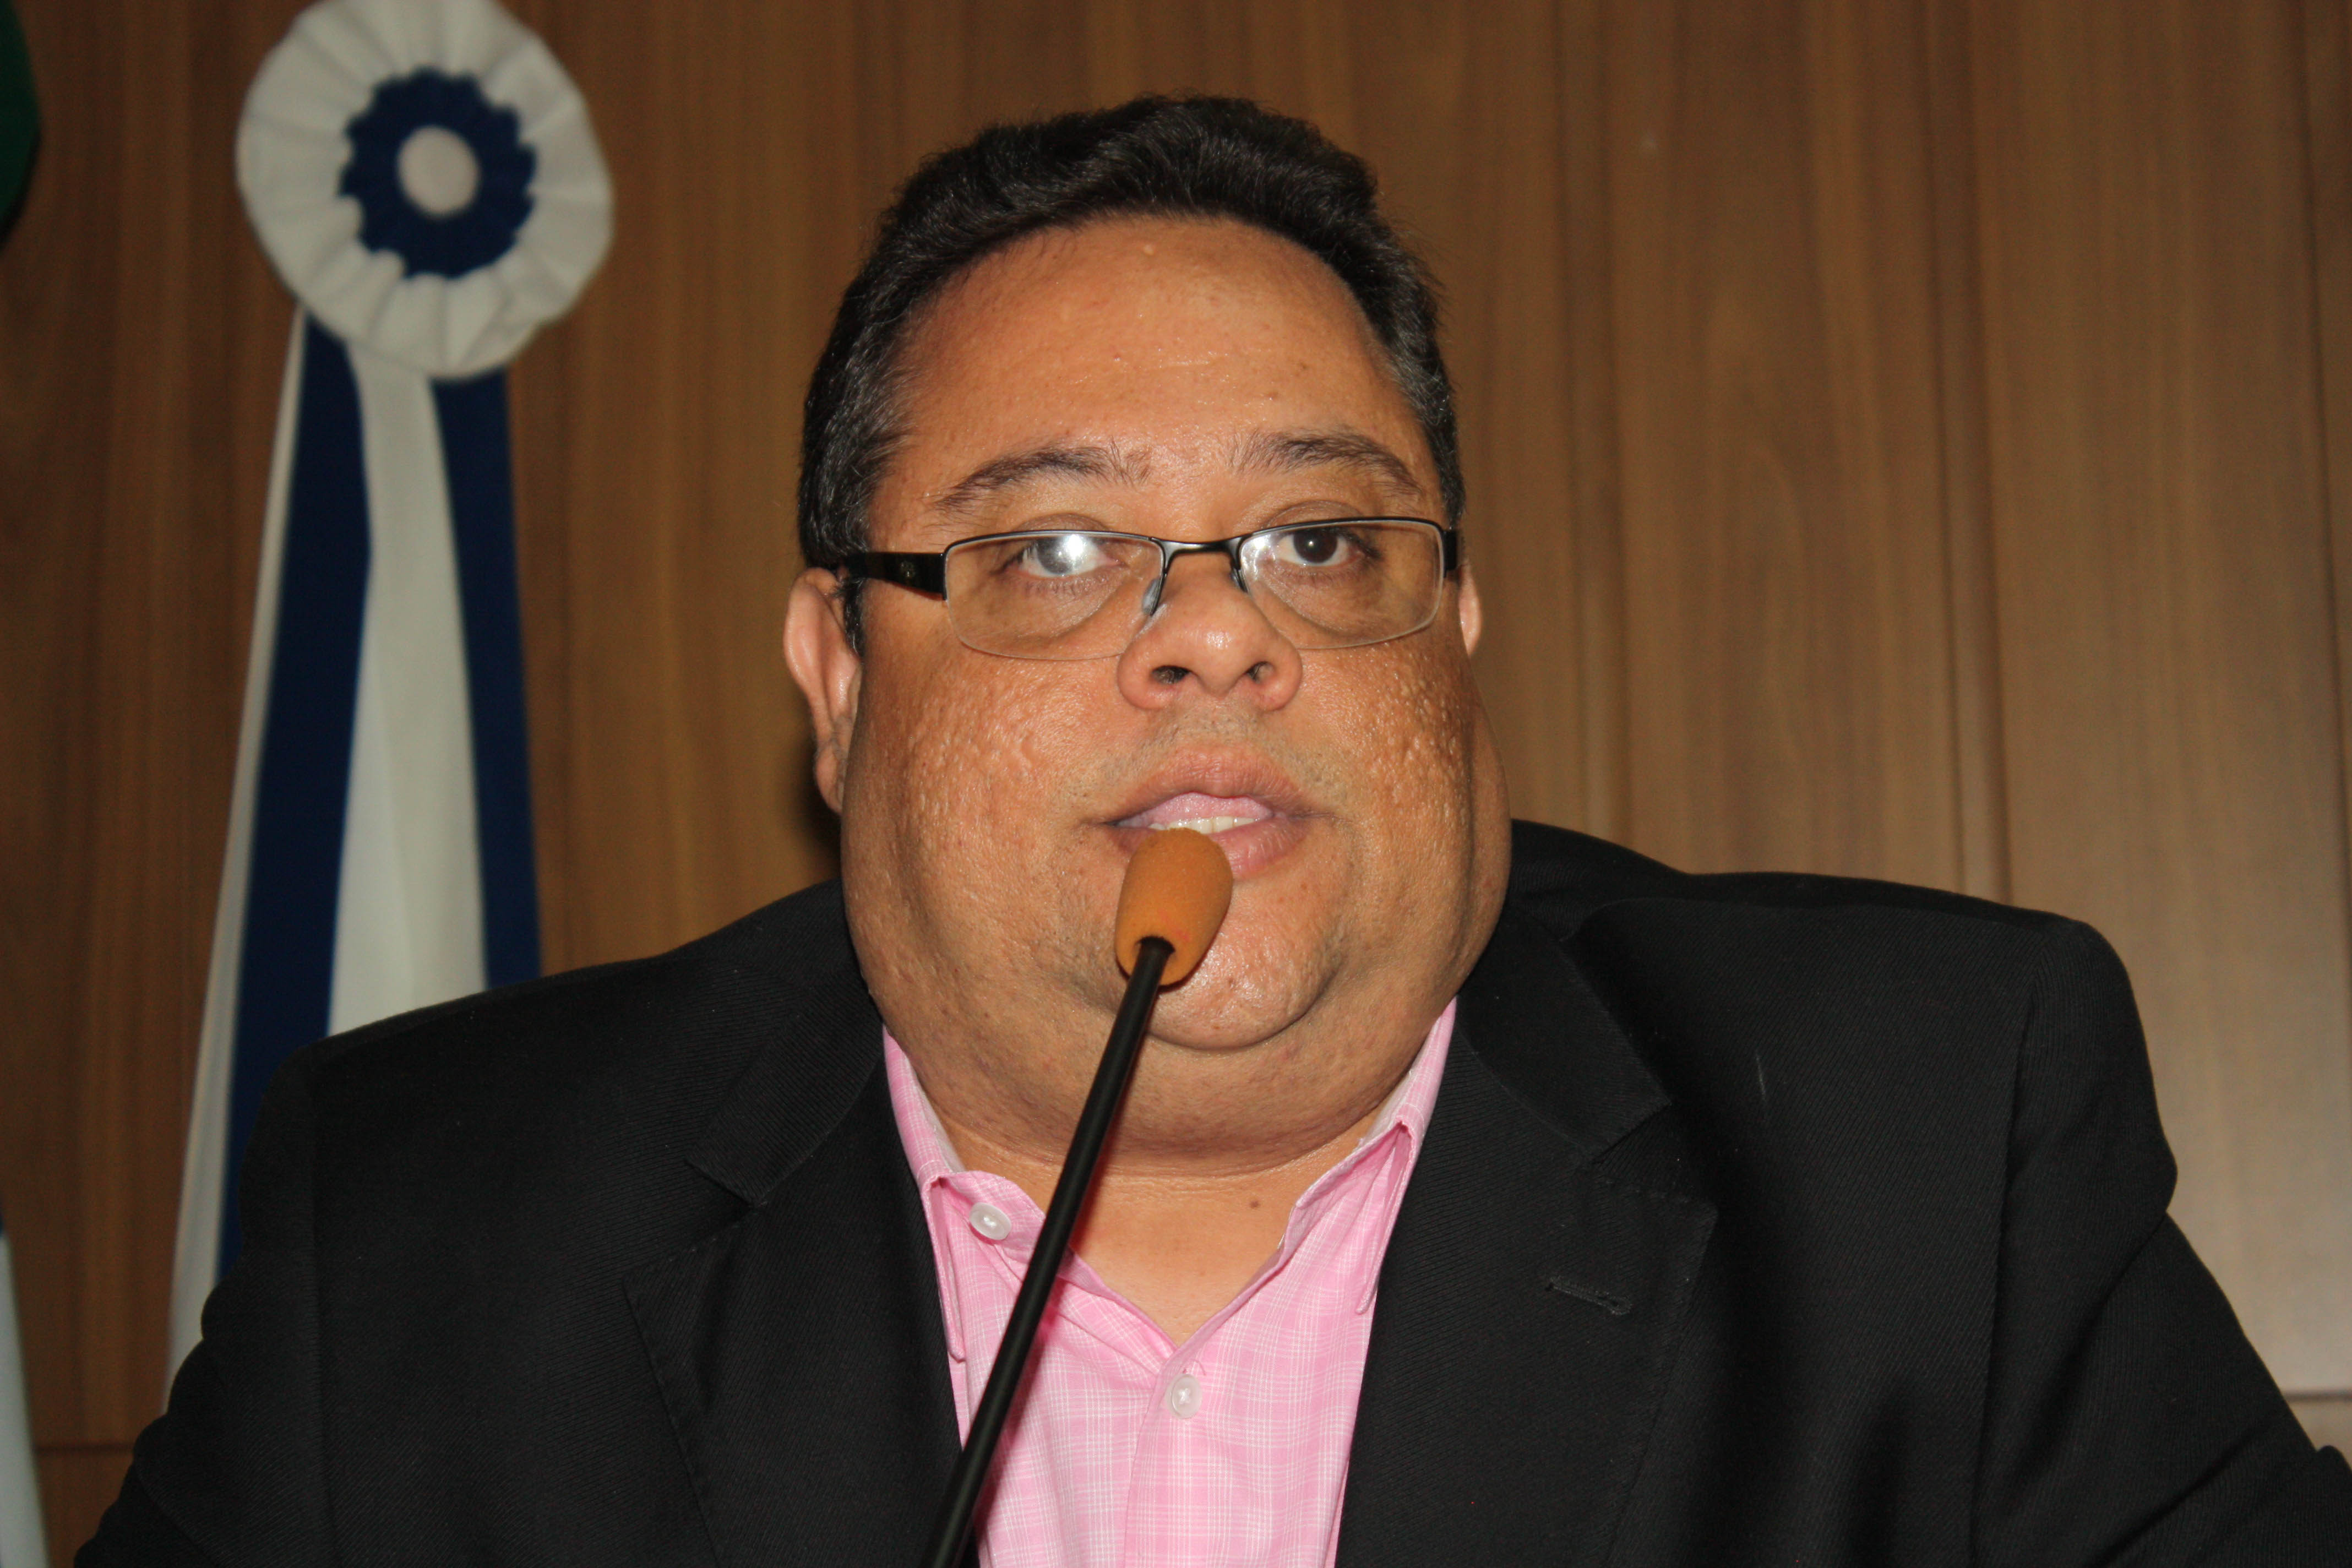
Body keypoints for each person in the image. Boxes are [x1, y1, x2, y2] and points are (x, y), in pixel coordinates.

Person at [87, 96, 2350, 1567]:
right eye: (1054, 552)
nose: (1214, 639)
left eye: (1322, 545)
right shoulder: (437, 1228)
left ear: (1454, 638)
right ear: (839, 674)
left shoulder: (1917, 1140)